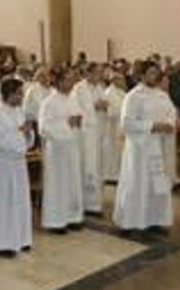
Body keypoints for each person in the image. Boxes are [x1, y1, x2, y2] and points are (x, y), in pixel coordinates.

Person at [113, 61, 175, 233]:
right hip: (140, 148)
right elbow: (126, 123)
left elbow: (171, 113)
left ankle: (155, 219)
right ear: (141, 75)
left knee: (157, 184)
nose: (154, 76)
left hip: (159, 146)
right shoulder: (133, 96)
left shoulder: (162, 95)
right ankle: (132, 221)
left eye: (156, 73)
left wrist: (169, 124)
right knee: (138, 183)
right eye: (151, 73)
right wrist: (152, 126)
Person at [0, 78, 35, 257]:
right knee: (3, 203)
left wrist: (27, 134)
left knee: (19, 200)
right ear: (9, 94)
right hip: (1, 166)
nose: (22, 96)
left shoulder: (18, 111)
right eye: (19, 93)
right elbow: (3, 142)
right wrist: (22, 134)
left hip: (17, 165)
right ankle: (2, 243)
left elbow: (25, 135)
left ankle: (20, 238)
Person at [39, 68, 84, 234]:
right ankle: (56, 221)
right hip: (57, 150)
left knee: (72, 182)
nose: (71, 83)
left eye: (72, 80)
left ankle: (72, 217)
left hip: (72, 148)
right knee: (58, 184)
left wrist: (79, 121)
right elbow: (44, 128)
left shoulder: (73, 99)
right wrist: (67, 124)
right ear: (58, 82)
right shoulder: (49, 102)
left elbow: (79, 118)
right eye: (68, 80)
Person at [70, 63, 107, 214]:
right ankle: (85, 203)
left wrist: (104, 105)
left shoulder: (100, 88)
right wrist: (94, 106)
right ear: (89, 73)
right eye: (97, 73)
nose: (100, 76)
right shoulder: (78, 88)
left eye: (101, 73)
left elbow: (105, 106)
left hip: (98, 133)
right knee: (86, 167)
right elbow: (74, 109)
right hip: (85, 135)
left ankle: (95, 202)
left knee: (97, 167)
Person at [102, 73, 127, 182]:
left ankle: (118, 172)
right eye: (121, 80)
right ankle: (110, 173)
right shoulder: (108, 93)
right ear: (114, 80)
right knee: (112, 149)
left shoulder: (122, 93)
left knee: (120, 150)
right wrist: (120, 112)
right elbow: (110, 110)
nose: (123, 82)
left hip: (121, 125)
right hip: (112, 126)